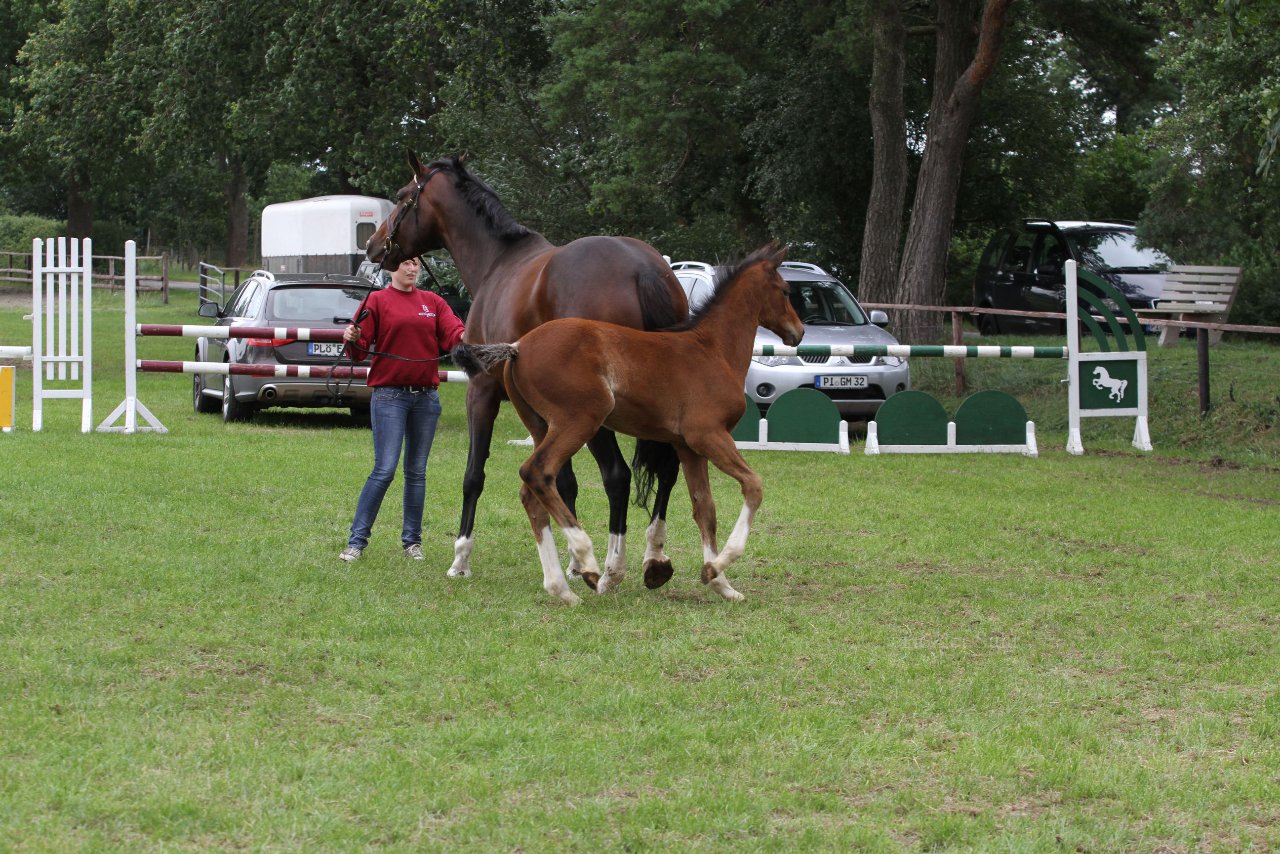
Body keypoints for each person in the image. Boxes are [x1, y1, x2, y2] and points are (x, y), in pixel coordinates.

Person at [339, 255, 465, 562]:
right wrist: (352, 338)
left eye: (415, 265)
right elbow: (357, 351)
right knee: (384, 470)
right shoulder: (379, 301)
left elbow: (454, 335)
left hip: (427, 399)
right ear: (391, 268)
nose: (411, 269)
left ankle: (412, 543)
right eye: (405, 264)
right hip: (389, 397)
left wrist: (467, 335)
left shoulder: (433, 302)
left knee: (417, 473)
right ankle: (356, 542)